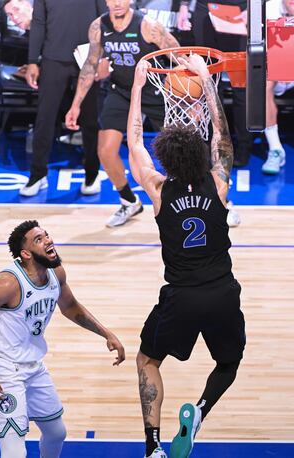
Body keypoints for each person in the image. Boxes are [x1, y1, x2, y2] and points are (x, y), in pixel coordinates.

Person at [127, 57, 245, 458]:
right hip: (222, 291)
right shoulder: (218, 181)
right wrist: (208, 82)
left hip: (180, 295)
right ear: (200, 154)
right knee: (227, 364)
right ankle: (199, 410)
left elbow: (134, 142)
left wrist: (139, 86)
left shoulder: (158, 190)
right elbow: (223, 136)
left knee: (147, 361)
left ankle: (153, 448)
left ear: (166, 157)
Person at [0, 220, 125, 458]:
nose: (48, 240)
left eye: (46, 235)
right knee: (14, 451)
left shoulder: (56, 273)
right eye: (39, 239)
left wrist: (106, 332)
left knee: (57, 432)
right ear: (25, 254)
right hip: (4, 369)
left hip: (34, 366)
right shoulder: (6, 284)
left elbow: (69, 306)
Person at [66, 0, 180, 227]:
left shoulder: (148, 26)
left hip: (154, 90)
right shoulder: (98, 27)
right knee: (106, 150)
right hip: (122, 92)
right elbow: (90, 66)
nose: (117, 3)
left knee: (177, 153)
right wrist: (75, 104)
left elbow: (178, 55)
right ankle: (129, 201)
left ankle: (206, 200)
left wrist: (181, 82)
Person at [19, 0, 108, 198]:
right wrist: (33, 61)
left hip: (89, 57)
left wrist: (104, 57)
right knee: (44, 118)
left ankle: (92, 174)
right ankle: (37, 175)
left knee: (90, 120)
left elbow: (106, 20)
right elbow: (39, 22)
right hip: (53, 57)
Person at [177, 0, 253, 168]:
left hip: (239, 10)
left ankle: (243, 146)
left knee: (241, 88)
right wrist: (183, 6)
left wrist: (253, 8)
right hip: (205, 10)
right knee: (208, 84)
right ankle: (213, 145)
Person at [262, 0, 294, 174]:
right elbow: (268, 46)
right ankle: (276, 149)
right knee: (263, 84)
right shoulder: (271, 8)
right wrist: (282, 68)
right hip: (276, 62)